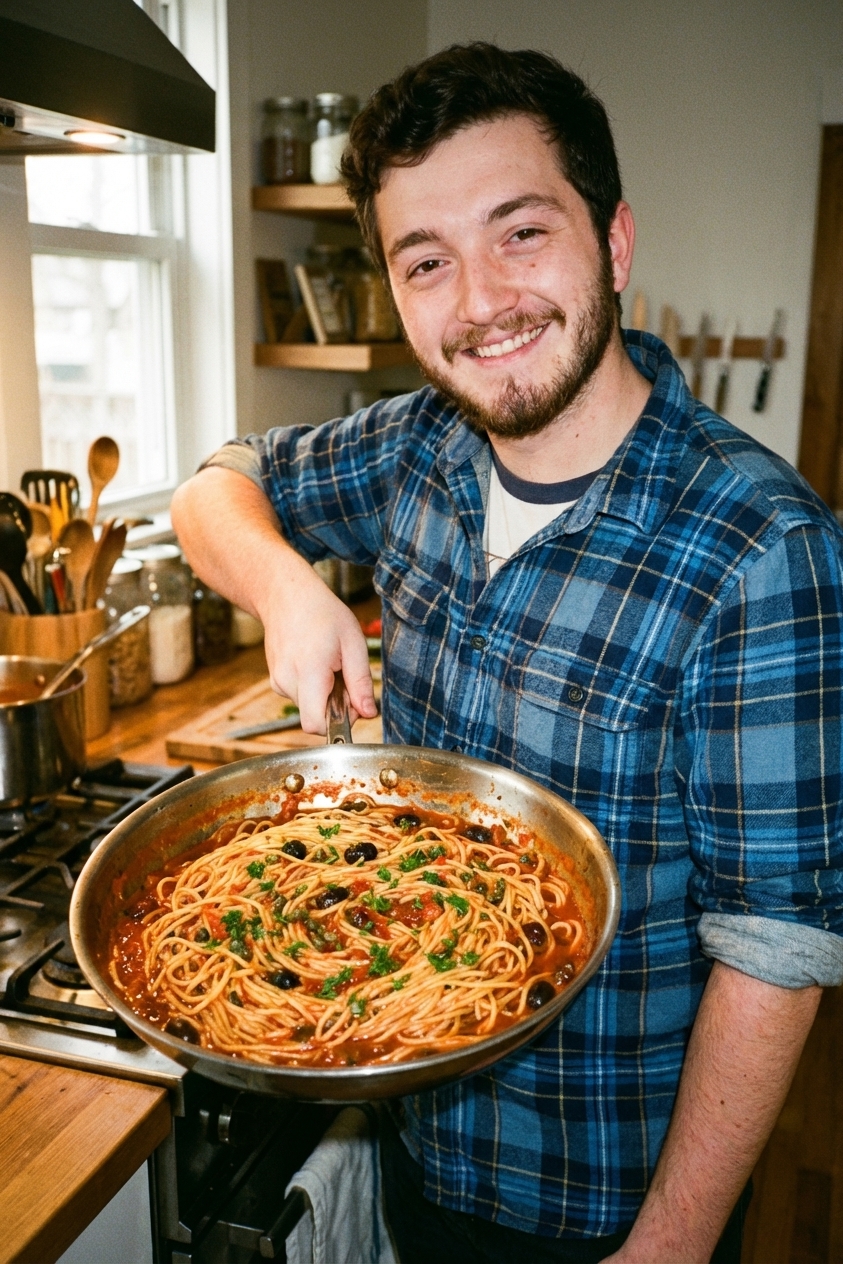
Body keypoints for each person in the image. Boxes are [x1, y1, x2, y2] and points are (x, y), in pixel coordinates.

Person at [172, 43, 843, 1264]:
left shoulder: (765, 549)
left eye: (520, 234)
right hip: (415, 1134)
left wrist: (672, 1244)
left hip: (606, 1205)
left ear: (616, 244)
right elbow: (216, 484)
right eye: (426, 261)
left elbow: (777, 948)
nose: (479, 301)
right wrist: (287, 588)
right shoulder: (418, 447)